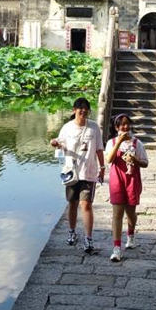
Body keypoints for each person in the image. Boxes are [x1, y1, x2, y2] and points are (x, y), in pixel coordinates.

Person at [50, 97, 105, 254]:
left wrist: (102, 167)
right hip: (71, 172)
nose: (83, 110)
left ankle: (88, 238)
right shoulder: (67, 128)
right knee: (72, 203)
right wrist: (54, 143)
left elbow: (99, 149)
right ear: (74, 110)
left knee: (86, 204)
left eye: (86, 108)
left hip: (89, 172)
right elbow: (59, 144)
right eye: (80, 108)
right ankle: (72, 232)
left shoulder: (94, 128)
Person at [104, 113, 149, 262]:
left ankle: (131, 235)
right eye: (122, 124)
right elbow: (109, 159)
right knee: (117, 214)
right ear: (116, 127)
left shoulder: (137, 143)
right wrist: (119, 142)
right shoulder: (111, 142)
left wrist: (135, 160)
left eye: (127, 124)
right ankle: (117, 248)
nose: (126, 127)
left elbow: (145, 163)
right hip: (117, 180)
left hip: (132, 180)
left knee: (131, 212)